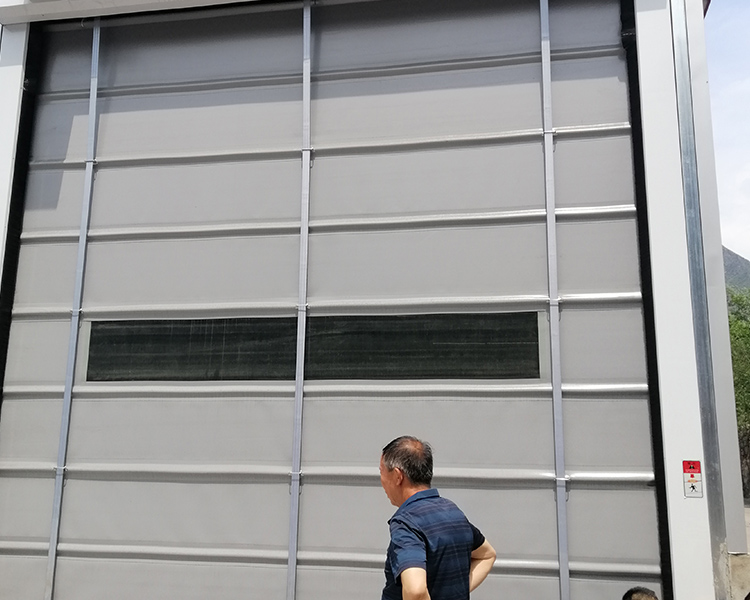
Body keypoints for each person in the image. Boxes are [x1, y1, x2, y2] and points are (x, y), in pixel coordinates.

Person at [379, 436, 496, 600]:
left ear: (398, 476)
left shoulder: (407, 522)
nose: (381, 480)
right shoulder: (452, 511)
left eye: (382, 472)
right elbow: (487, 555)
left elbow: (415, 591)